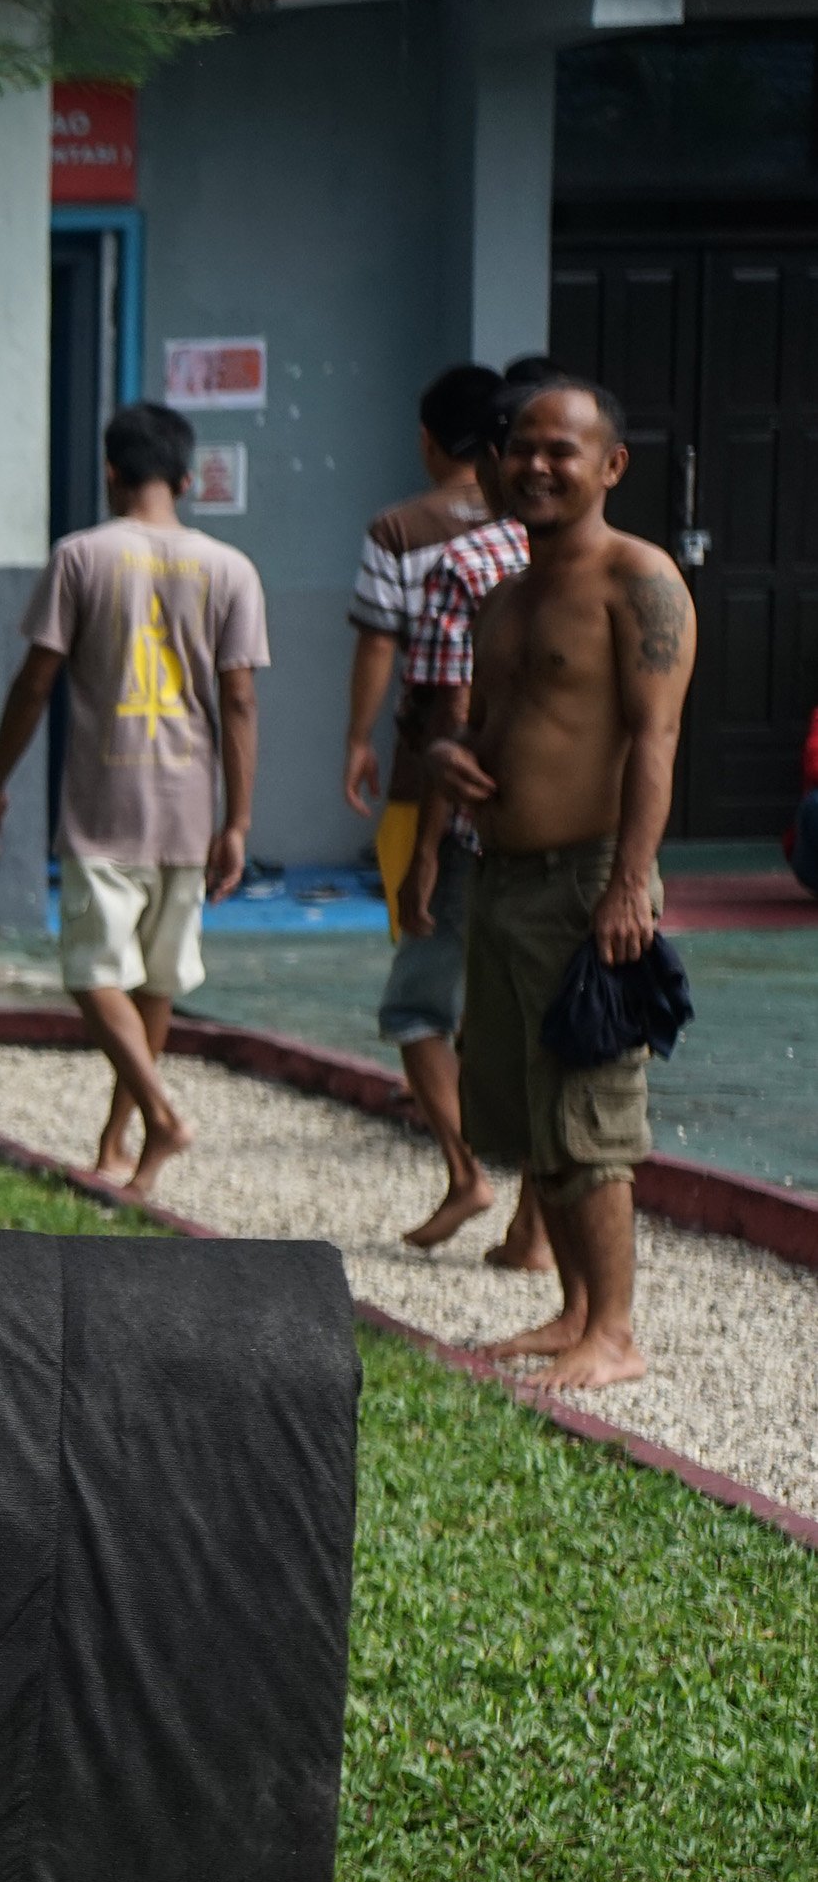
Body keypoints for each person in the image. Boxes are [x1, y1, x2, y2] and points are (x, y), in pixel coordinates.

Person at [419, 379, 692, 1393]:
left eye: (559, 450)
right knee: (529, 1106)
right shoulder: (505, 594)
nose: (533, 465)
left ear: (608, 466)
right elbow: (495, 729)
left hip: (588, 882)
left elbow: (655, 741)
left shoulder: (639, 580)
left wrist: (627, 883)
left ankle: (612, 1332)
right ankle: (573, 1307)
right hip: (501, 878)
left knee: (587, 1109)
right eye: (518, 447)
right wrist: (451, 758)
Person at [0, 401, 268, 1197]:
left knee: (92, 974)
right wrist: (237, 818)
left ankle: (159, 1119)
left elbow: (36, 681)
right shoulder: (231, 568)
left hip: (105, 803)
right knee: (154, 983)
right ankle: (117, 1144)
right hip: (188, 805)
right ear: (186, 476)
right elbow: (239, 701)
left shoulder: (79, 556)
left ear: (110, 472)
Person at [378, 363, 550, 1260]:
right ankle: (533, 1223)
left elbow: (446, 717)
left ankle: (467, 1171)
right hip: (574, 836)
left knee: (417, 1004)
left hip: (480, 826)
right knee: (545, 1028)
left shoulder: (462, 561)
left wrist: (429, 852)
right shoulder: (617, 562)